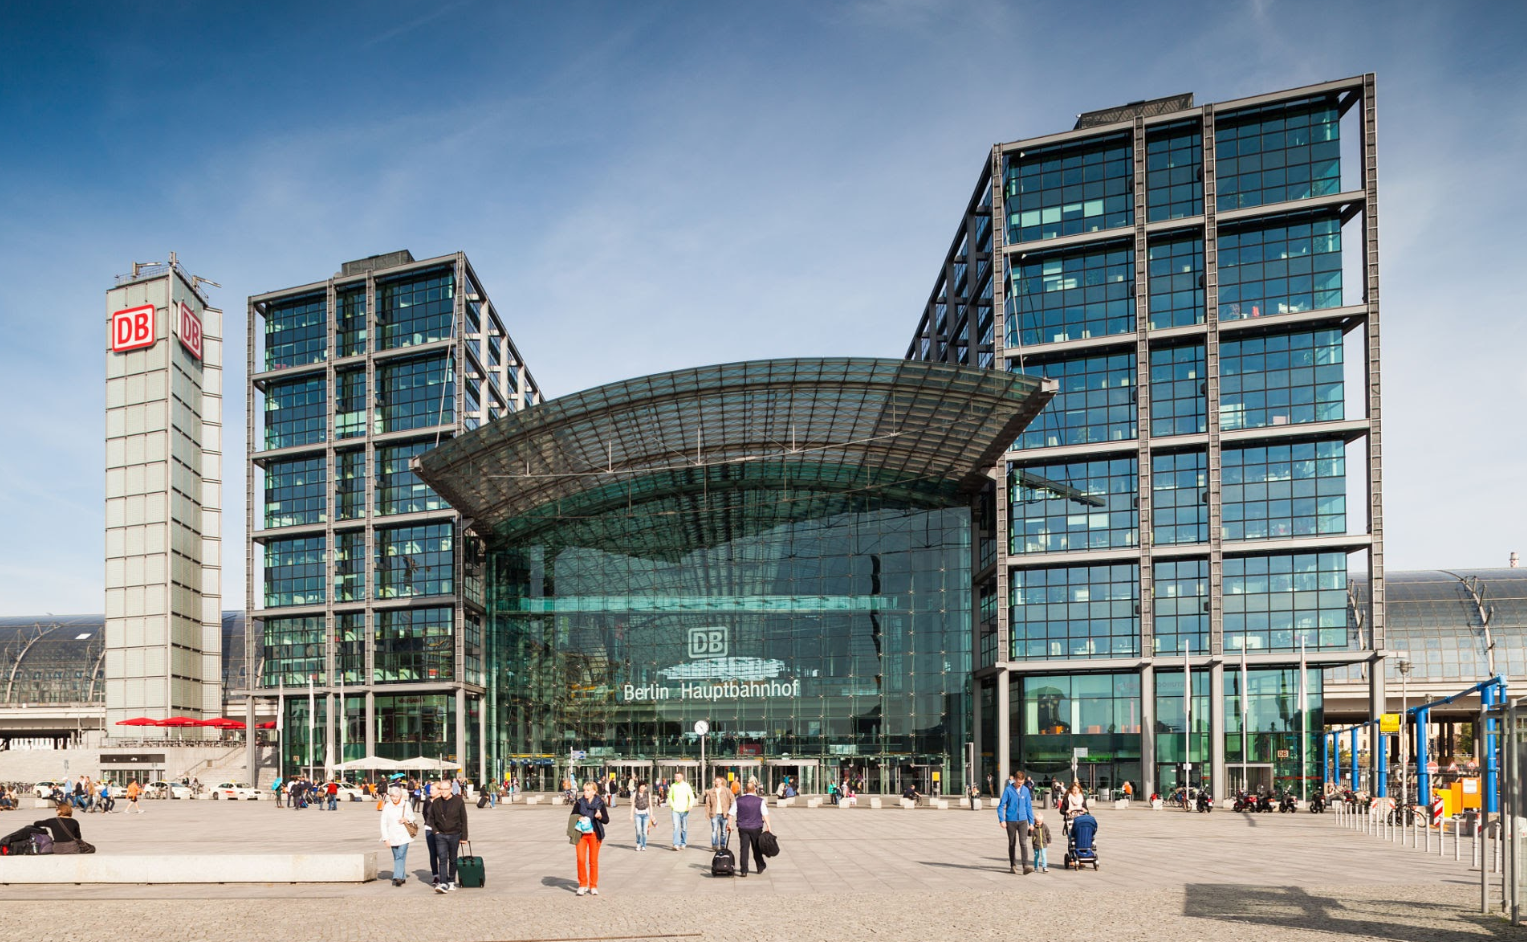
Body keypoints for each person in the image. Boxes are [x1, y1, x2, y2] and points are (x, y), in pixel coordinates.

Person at [726, 779, 772, 877]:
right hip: (756, 827)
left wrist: (729, 825)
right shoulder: (760, 801)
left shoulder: (739, 800)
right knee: (756, 848)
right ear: (755, 790)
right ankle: (760, 867)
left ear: (745, 790)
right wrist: (769, 826)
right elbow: (765, 814)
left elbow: (730, 814)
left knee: (744, 849)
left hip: (743, 827)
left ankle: (744, 870)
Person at [573, 780, 610, 896]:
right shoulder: (579, 803)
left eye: (588, 790)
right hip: (581, 835)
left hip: (594, 834)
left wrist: (600, 816)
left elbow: (606, 820)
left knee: (593, 861)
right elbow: (573, 816)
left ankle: (593, 885)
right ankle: (582, 884)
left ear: (594, 791)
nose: (585, 792)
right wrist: (578, 818)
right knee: (581, 859)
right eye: (584, 790)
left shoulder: (600, 803)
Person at [431, 780, 469, 892]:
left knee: (453, 859)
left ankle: (451, 881)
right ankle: (443, 883)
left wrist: (464, 837)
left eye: (445, 789)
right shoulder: (436, 802)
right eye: (441, 789)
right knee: (442, 859)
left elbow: (464, 819)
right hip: (440, 835)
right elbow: (431, 818)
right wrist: (435, 831)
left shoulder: (458, 801)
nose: (443, 791)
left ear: (451, 789)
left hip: (454, 834)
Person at [997, 770, 1036, 875]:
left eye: (1022, 783)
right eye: (1019, 782)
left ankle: (1025, 866)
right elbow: (1001, 806)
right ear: (1015, 779)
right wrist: (1002, 820)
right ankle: (1013, 865)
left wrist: (1031, 822)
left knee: (1023, 843)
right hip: (1011, 820)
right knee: (1012, 843)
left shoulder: (1026, 790)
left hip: (1023, 820)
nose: (1020, 785)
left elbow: (1029, 807)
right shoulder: (1008, 790)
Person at [378, 785, 416, 886]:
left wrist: (406, 819)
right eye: (392, 796)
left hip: (404, 835)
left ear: (400, 796)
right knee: (398, 857)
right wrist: (385, 838)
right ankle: (402, 876)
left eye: (396, 796)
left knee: (400, 855)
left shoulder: (406, 805)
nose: (394, 798)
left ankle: (397, 876)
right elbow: (383, 823)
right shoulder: (387, 806)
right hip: (392, 836)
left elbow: (412, 817)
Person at [668, 772, 696, 851]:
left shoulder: (686, 786)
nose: (677, 778)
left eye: (678, 777)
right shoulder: (673, 786)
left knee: (684, 828)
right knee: (676, 827)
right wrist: (673, 806)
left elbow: (691, 796)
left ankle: (683, 843)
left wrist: (690, 805)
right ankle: (676, 844)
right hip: (675, 810)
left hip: (684, 810)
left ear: (682, 777)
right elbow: (670, 797)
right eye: (676, 777)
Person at [705, 776, 734, 851]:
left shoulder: (727, 790)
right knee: (714, 830)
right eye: (716, 781)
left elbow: (732, 800)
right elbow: (707, 803)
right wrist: (707, 813)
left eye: (718, 781)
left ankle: (722, 845)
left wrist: (730, 812)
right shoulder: (711, 791)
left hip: (724, 814)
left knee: (723, 831)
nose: (717, 783)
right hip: (714, 814)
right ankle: (714, 845)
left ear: (721, 782)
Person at [630, 781, 654, 851]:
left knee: (644, 831)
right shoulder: (635, 794)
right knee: (638, 830)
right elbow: (633, 805)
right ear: (639, 787)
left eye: (643, 786)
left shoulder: (647, 793)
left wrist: (651, 814)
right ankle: (638, 843)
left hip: (646, 814)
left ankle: (643, 845)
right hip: (638, 814)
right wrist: (631, 815)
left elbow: (650, 804)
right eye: (641, 786)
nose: (642, 788)